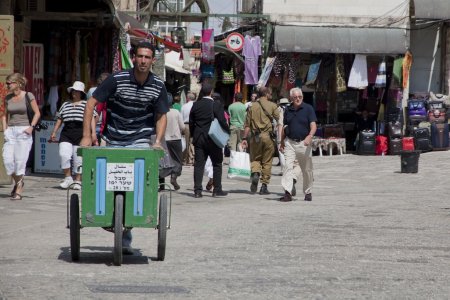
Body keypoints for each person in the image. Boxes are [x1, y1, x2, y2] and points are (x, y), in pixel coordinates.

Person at [80, 41, 169, 255]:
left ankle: (126, 234)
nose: (143, 61)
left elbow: (161, 115)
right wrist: (86, 136)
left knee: (137, 181)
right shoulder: (117, 79)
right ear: (134, 57)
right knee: (103, 179)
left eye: (147, 57)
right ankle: (104, 215)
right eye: (140, 56)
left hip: (139, 139)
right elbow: (91, 103)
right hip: (112, 138)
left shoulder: (158, 85)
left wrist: (157, 141)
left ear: (152, 60)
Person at [50, 81, 97, 190]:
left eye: (77, 91)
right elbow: (60, 119)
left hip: (81, 131)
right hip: (67, 131)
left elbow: (92, 119)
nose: (74, 93)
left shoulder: (86, 104)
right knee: (64, 154)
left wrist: (93, 133)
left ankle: (78, 180)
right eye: (73, 91)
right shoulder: (65, 104)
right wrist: (54, 132)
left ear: (81, 93)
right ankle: (67, 178)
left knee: (78, 159)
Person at [2, 73, 41, 200]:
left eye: (9, 83)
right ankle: (20, 181)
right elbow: (4, 115)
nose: (7, 85)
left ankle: (18, 187)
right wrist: (5, 129)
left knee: (20, 161)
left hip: (24, 129)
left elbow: (37, 113)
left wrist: (31, 127)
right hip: (11, 131)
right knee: (7, 160)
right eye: (7, 83)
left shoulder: (28, 96)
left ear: (18, 83)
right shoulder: (7, 98)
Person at [189, 82, 229, 198]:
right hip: (213, 138)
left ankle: (197, 191)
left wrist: (193, 134)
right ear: (211, 92)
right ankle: (217, 189)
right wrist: (227, 131)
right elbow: (222, 121)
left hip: (199, 138)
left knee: (199, 164)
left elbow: (191, 122)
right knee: (217, 163)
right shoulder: (215, 105)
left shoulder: (195, 105)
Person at [279, 87, 317, 202]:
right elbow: (284, 127)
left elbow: (313, 125)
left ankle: (308, 192)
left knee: (307, 169)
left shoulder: (308, 108)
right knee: (287, 167)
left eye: (300, 97)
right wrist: (281, 142)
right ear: (291, 98)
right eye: (295, 97)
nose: (297, 99)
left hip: (303, 143)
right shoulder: (288, 110)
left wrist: (310, 136)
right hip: (289, 142)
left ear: (302, 97)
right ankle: (288, 193)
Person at [241, 86, 280, 195]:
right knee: (267, 161)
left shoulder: (251, 106)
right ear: (267, 94)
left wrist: (244, 138)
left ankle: (255, 173)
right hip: (268, 137)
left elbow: (247, 125)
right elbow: (279, 119)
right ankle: (264, 186)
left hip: (255, 137)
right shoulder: (272, 105)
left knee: (255, 158)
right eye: (270, 94)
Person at [164, 93, 185, 190]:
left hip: (164, 139)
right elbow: (182, 127)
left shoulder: (161, 112)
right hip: (175, 139)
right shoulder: (176, 112)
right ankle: (174, 177)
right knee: (177, 159)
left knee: (163, 160)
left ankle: (161, 183)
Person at [181, 91, 196, 166]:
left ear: (187, 98)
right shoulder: (196, 105)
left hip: (186, 125)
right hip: (194, 125)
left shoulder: (184, 106)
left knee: (186, 142)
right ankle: (192, 158)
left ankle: (186, 160)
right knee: (193, 142)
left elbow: (181, 117)